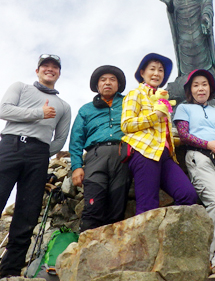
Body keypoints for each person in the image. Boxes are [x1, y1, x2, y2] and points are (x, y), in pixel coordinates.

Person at [0, 54, 71, 277]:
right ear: (37, 70)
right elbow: (3, 109)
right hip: (10, 145)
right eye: (45, 66)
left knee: (28, 212)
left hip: (39, 154)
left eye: (55, 67)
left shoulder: (63, 105)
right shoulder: (20, 87)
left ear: (59, 73)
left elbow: (60, 139)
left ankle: (9, 271)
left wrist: (40, 152)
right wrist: (38, 113)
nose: (50, 69)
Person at [174, 69, 215, 275]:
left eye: (204, 84)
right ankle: (203, 255)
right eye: (195, 85)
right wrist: (208, 143)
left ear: (210, 88)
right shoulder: (184, 109)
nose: (200, 88)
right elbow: (184, 135)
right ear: (189, 90)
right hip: (198, 155)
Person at [121, 53, 197, 215]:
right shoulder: (136, 94)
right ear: (142, 73)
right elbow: (126, 124)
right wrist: (156, 115)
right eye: (152, 69)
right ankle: (144, 240)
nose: (156, 73)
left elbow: (164, 133)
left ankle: (169, 235)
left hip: (165, 155)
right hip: (144, 152)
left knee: (188, 195)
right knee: (147, 205)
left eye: (160, 70)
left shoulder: (163, 100)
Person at [69, 65, 132, 232]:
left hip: (122, 156)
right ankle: (84, 253)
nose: (107, 83)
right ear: (97, 86)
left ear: (119, 84)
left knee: (117, 209)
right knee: (93, 207)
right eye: (103, 80)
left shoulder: (129, 103)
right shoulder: (86, 109)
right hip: (95, 156)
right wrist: (76, 167)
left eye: (112, 79)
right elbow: (76, 140)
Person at [162, 0, 215, 76]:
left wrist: (205, 18)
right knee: (186, 72)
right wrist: (169, 4)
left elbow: (207, 6)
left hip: (200, 34)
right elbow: (173, 15)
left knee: (207, 69)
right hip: (183, 39)